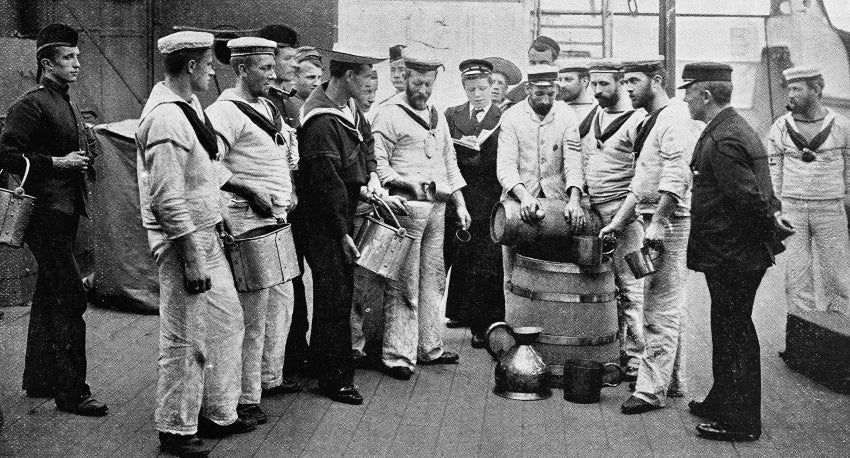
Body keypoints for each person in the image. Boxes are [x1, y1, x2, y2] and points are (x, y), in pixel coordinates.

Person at [137, 31, 269, 455]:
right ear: (191, 66)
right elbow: (166, 199)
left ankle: (217, 412)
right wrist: (192, 258)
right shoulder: (166, 118)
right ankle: (175, 429)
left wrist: (220, 214)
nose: (213, 72)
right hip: (183, 243)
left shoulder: (189, 106)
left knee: (227, 323)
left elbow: (205, 169)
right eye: (209, 65)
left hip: (206, 233)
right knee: (185, 338)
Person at [683, 62, 795, 442]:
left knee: (735, 330)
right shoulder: (732, 128)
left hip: (733, 253)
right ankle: (722, 399)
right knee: (725, 324)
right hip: (733, 251)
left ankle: (742, 422)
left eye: (688, 92)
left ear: (705, 95)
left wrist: (770, 223)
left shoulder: (724, 138)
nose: (685, 99)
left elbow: (747, 197)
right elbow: (760, 190)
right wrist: (773, 218)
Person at [0, 23, 106, 417]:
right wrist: (57, 163)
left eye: (77, 57)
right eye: (68, 58)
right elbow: (7, 154)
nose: (77, 64)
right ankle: (73, 393)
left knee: (49, 292)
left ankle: (41, 379)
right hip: (43, 215)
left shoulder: (65, 101)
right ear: (47, 64)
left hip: (64, 212)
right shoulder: (31, 104)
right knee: (71, 296)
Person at [599, 58, 702, 414]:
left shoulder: (674, 118)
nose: (627, 88)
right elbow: (642, 182)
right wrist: (618, 223)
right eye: (625, 81)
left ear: (656, 80)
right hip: (652, 217)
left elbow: (677, 174)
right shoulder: (650, 119)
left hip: (670, 221)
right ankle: (673, 381)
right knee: (667, 301)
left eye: (634, 81)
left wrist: (658, 221)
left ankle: (649, 390)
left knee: (659, 306)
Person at [205, 37, 298, 426]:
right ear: (241, 69)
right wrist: (248, 189)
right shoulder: (224, 112)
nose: (273, 74)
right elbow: (209, 164)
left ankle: (264, 381)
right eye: (265, 67)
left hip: (275, 219)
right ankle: (244, 399)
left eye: (273, 66)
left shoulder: (268, 107)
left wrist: (288, 189)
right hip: (247, 219)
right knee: (252, 315)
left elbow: (282, 153)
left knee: (280, 306)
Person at [372, 47, 469, 380]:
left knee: (433, 277)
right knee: (404, 282)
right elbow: (379, 166)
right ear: (405, 77)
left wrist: (459, 203)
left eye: (428, 84)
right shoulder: (388, 114)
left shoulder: (436, 115)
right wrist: (409, 185)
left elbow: (449, 162)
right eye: (417, 83)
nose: (423, 91)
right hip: (405, 210)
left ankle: (429, 346)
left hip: (437, 210)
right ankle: (397, 354)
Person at [297, 43, 384, 405]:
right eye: (367, 78)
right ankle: (335, 379)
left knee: (338, 292)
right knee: (334, 295)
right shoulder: (320, 120)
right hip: (324, 219)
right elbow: (325, 185)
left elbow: (366, 144)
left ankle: (322, 363)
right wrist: (342, 233)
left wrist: (372, 175)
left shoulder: (348, 109)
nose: (371, 85)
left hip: (342, 211)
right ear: (348, 76)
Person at [581, 58, 646, 380]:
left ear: (621, 83)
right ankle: (615, 352)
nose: (597, 90)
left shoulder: (638, 120)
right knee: (606, 287)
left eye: (604, 84)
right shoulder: (593, 116)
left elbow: (643, 178)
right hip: (596, 215)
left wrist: (622, 218)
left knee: (633, 288)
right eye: (593, 84)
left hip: (626, 217)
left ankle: (637, 358)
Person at [768, 67, 850, 317]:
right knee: (797, 276)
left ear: (816, 89)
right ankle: (802, 334)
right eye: (789, 89)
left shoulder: (841, 125)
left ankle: (838, 332)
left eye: (797, 88)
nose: (791, 94)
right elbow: (774, 174)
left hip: (830, 208)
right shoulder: (781, 127)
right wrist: (777, 209)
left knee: (838, 276)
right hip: (793, 209)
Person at [496, 65, 585, 290]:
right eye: (539, 93)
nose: (546, 100)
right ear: (528, 89)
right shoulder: (512, 116)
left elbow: (573, 162)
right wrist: (524, 196)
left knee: (555, 273)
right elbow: (505, 166)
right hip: (519, 202)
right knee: (514, 277)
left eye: (551, 94)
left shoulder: (566, 115)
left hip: (557, 204)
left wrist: (574, 200)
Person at [442, 59, 505, 348]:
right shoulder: (451, 114)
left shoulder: (503, 117)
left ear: (492, 86)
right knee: (459, 258)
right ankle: (460, 312)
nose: (477, 95)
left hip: (489, 198)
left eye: (482, 88)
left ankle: (484, 326)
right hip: (459, 197)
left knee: (487, 265)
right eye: (471, 89)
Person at [257, 24, 300, 128]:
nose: (295, 64)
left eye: (295, 58)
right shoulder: (258, 102)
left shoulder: (290, 101)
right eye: (287, 58)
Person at [556, 59, 597, 137]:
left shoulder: (598, 110)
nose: (562, 85)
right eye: (560, 80)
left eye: (568, 80)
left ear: (584, 81)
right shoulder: (555, 109)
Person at [291, 47, 323, 113]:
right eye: (311, 77)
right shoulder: (287, 104)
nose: (317, 83)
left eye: (319, 77)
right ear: (294, 77)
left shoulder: (320, 106)